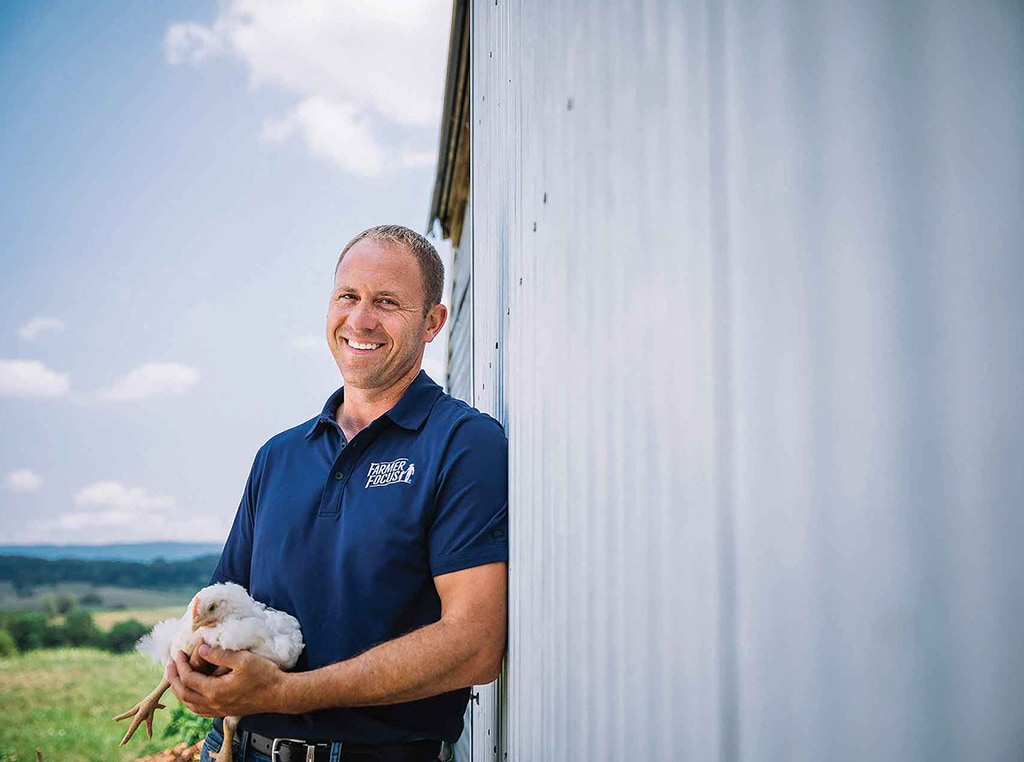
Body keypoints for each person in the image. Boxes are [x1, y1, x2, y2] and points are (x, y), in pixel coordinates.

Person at [167, 225, 509, 762]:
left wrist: (288, 693)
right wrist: (193, 662)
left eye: (387, 302)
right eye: (347, 296)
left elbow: (475, 643)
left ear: (433, 323)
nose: (360, 319)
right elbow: (223, 605)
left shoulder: (465, 444)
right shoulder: (279, 457)